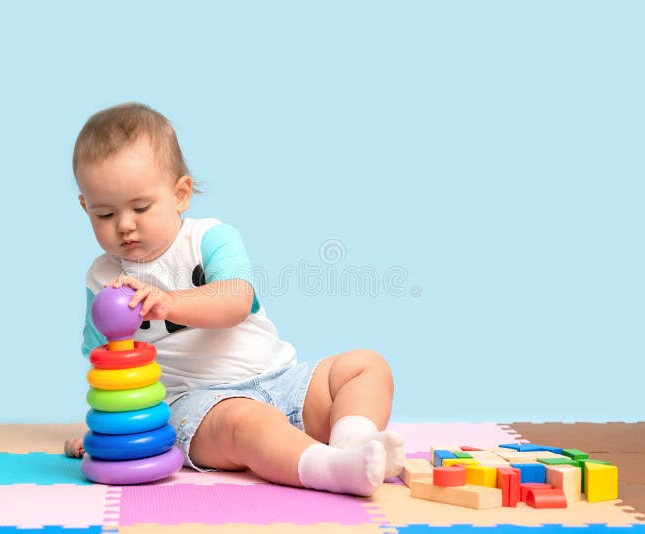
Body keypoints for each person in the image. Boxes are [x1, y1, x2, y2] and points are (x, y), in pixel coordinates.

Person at [65, 102, 404, 496]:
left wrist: (171, 302)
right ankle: (328, 468)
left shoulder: (211, 237)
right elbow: (105, 363)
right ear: (85, 206)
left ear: (181, 194)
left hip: (282, 380)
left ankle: (354, 445)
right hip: (197, 406)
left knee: (366, 366)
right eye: (104, 214)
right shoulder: (103, 279)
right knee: (245, 424)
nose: (125, 225)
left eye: (141, 207)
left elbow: (235, 301)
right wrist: (107, 435)